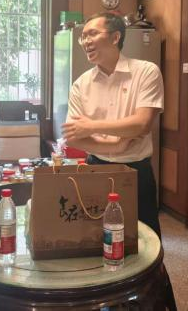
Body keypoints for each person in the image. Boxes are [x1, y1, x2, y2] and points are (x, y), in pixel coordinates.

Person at [62, 12, 164, 236]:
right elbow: (73, 137)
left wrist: (91, 126)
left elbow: (142, 124)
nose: (85, 41)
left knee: (146, 237)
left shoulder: (146, 72)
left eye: (92, 34)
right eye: (82, 37)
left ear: (115, 37)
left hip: (136, 171)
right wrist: (115, 146)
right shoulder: (81, 84)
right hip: (95, 169)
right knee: (95, 236)